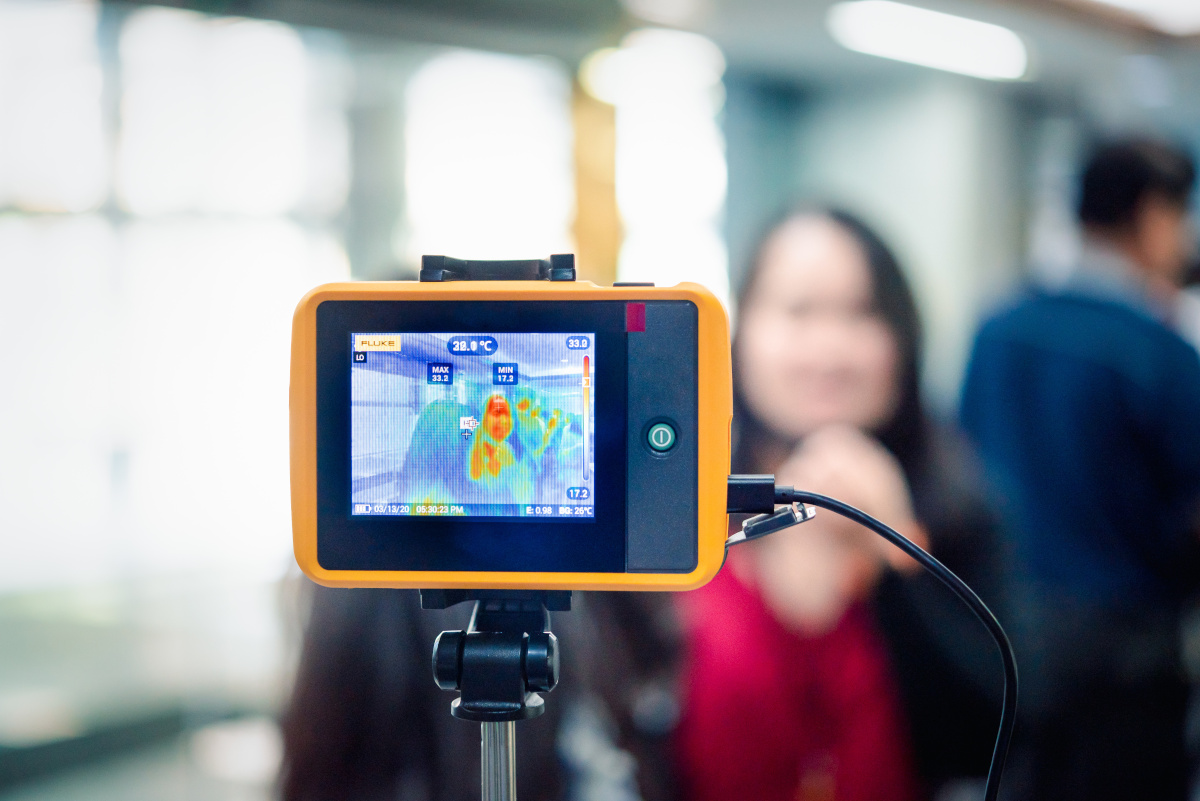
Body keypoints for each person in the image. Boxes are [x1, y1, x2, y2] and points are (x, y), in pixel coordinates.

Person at [676, 208, 1003, 801]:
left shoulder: (960, 502)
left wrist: (897, 549)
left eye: (860, 314)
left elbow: (993, 731)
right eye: (799, 311)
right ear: (742, 329)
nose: (829, 349)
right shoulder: (677, 508)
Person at [960, 138, 1200, 801]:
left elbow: (962, 462)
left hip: (1000, 638)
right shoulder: (1164, 356)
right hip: (1125, 662)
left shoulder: (997, 326)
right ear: (1154, 216)